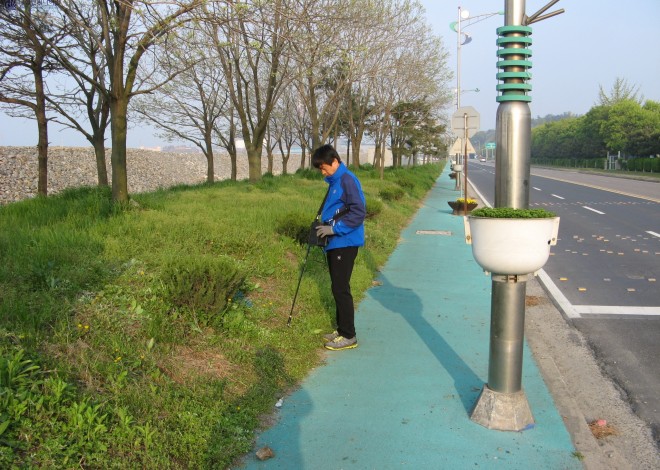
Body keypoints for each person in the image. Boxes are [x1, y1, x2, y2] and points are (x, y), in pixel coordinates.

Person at [312, 144, 366, 351]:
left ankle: (349, 335)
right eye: (320, 169)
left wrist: (334, 229)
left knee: (341, 288)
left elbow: (358, 212)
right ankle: (342, 329)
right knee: (337, 287)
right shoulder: (335, 181)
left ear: (335, 161)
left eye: (324, 168)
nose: (323, 172)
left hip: (345, 242)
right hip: (336, 242)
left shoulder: (347, 180)